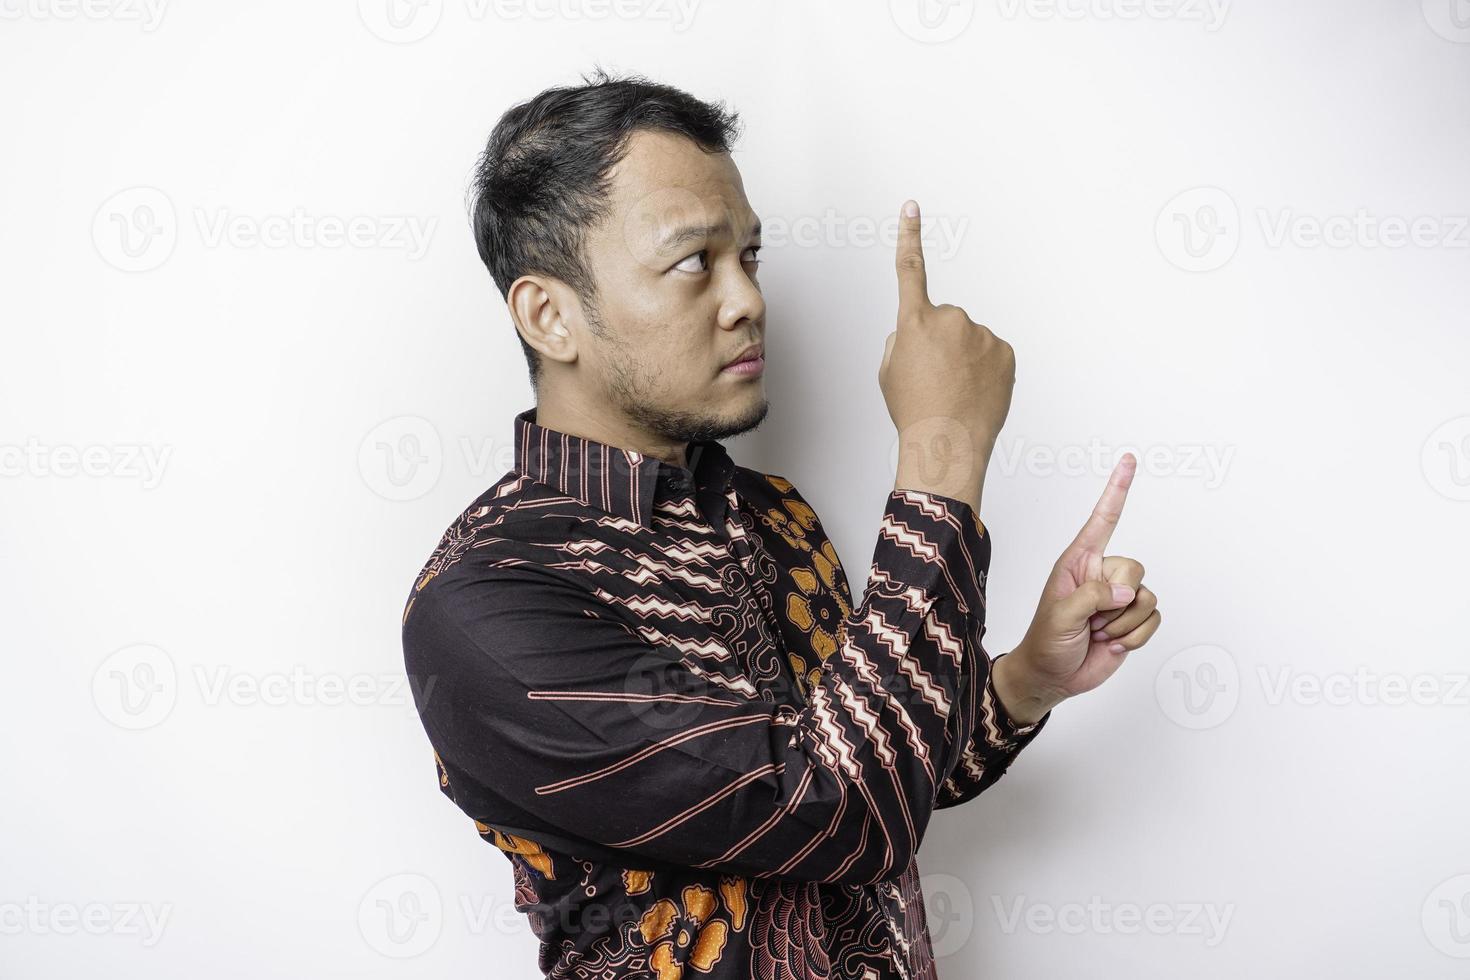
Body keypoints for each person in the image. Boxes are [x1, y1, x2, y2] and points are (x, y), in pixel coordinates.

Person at [402, 68, 1161, 980]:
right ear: (549, 314)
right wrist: (942, 447)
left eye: (749, 257)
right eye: (693, 261)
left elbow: (896, 765)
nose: (746, 299)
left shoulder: (774, 518)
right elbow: (840, 807)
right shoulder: (487, 603)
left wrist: (1028, 679)